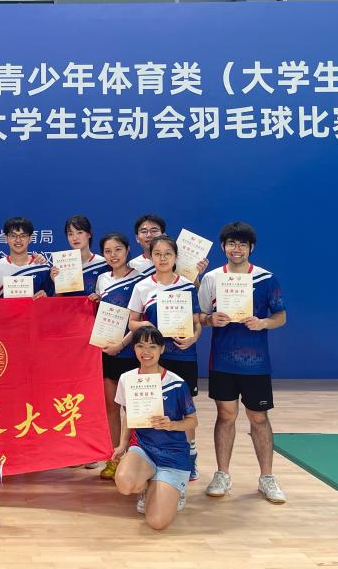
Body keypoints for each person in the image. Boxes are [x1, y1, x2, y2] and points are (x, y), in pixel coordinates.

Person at [197, 221, 288, 504]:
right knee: (225, 416)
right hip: (222, 361)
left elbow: (280, 316)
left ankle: (267, 478)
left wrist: (262, 323)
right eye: (231, 244)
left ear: (251, 248)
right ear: (223, 247)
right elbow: (200, 315)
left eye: (242, 244)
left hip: (256, 363)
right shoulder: (212, 278)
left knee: (259, 418)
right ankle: (222, 474)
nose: (236, 249)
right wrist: (210, 319)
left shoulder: (266, 278)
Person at [127, 235, 202, 480]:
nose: (162, 258)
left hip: (183, 355)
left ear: (175, 257)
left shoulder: (187, 286)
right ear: (150, 257)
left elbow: (196, 322)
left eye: (167, 254)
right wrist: (145, 324)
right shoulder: (142, 286)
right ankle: (150, 458)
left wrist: (193, 338)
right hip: (151, 357)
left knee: (183, 410)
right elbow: (131, 322)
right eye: (157, 254)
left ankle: (189, 456)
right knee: (151, 409)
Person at [111, 326, 198, 530]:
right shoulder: (127, 379)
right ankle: (148, 483)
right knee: (124, 483)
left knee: (156, 522)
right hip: (143, 449)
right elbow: (128, 415)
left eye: (152, 346)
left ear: (162, 349)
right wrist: (122, 444)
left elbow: (192, 421)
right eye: (140, 346)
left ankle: (172, 487)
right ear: (134, 349)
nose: (146, 352)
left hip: (172, 454)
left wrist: (172, 424)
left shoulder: (176, 383)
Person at [90, 232, 148, 481]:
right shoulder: (102, 279)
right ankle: (113, 459)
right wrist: (94, 300)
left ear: (127, 250)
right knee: (111, 407)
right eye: (108, 251)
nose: (113, 255)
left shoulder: (140, 279)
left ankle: (137, 460)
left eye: (118, 250)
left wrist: (122, 344)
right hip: (107, 350)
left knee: (133, 409)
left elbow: (140, 320)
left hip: (130, 350)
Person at [0, 217, 52, 298]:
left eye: (23, 236)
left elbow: (52, 300)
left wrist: (45, 296)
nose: (18, 240)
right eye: (13, 236)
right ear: (6, 238)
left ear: (30, 238)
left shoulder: (42, 266)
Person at [62, 215, 108, 296]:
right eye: (70, 234)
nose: (75, 238)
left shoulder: (103, 264)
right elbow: (59, 299)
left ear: (89, 234)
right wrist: (56, 281)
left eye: (79, 232)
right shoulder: (62, 266)